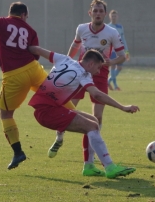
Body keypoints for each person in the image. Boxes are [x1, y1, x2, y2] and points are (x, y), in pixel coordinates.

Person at [28, 46, 139, 179]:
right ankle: (109, 167)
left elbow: (36, 50)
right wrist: (122, 107)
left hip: (47, 109)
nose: (98, 72)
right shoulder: (84, 74)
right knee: (91, 126)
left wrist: (15, 49)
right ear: (91, 64)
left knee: (94, 122)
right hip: (48, 112)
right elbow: (97, 95)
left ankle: (89, 166)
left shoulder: (64, 59)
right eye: (98, 68)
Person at [47, 0, 127, 177]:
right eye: (95, 11)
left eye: (101, 11)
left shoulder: (112, 32)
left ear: (104, 14)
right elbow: (74, 46)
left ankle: (88, 164)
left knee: (96, 119)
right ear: (90, 13)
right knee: (66, 108)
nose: (98, 14)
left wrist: (111, 61)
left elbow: (122, 56)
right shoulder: (81, 29)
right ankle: (59, 137)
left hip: (100, 75)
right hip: (79, 73)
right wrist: (66, 63)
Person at [0, 2, 48, 170]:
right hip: (34, 69)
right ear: (24, 15)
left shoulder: (2, 22)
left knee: (5, 114)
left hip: (14, 75)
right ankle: (86, 124)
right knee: (56, 94)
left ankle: (18, 152)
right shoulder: (31, 30)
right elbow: (35, 54)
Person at [107, 10, 130, 91]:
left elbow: (123, 39)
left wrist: (126, 51)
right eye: (112, 16)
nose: (113, 17)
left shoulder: (120, 27)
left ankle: (108, 81)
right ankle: (116, 86)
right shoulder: (107, 27)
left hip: (120, 50)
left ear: (117, 17)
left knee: (119, 68)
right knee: (113, 65)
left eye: (115, 16)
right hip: (112, 50)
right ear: (110, 17)